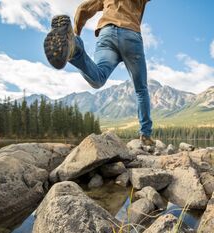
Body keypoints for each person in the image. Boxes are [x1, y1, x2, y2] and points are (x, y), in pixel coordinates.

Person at [44, 0, 155, 146]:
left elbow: (83, 9)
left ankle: (75, 47)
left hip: (107, 34)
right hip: (131, 35)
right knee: (141, 89)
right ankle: (145, 135)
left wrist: (76, 34)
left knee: (98, 79)